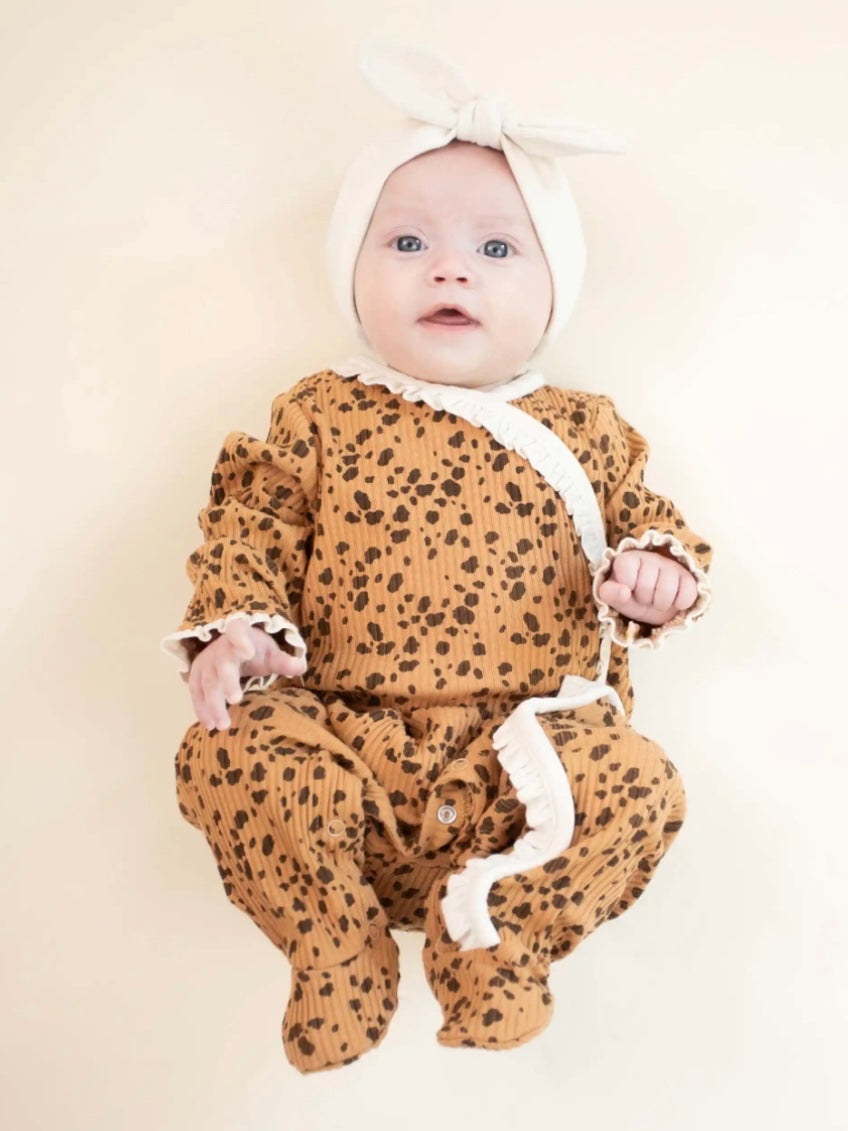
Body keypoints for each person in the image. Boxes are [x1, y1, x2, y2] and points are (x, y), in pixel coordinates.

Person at [161, 43, 712, 1074]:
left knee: (641, 787)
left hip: (521, 771)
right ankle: (332, 942)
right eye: (407, 242)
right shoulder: (320, 414)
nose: (449, 269)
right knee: (225, 749)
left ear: (554, 290)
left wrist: (658, 578)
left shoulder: (585, 430)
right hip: (343, 758)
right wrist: (236, 630)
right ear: (353, 275)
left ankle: (499, 939)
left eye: (496, 249)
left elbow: (654, 528)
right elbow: (250, 524)